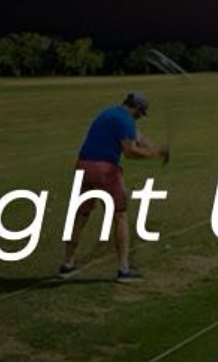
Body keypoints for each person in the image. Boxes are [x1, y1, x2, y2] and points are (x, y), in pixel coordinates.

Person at [59, 92, 170, 283]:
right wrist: (155, 154)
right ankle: (123, 269)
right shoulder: (126, 120)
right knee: (119, 216)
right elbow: (130, 151)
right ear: (136, 108)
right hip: (105, 170)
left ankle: (67, 264)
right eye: (140, 113)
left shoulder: (108, 113)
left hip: (83, 166)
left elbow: (138, 137)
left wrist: (156, 148)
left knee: (81, 215)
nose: (139, 117)